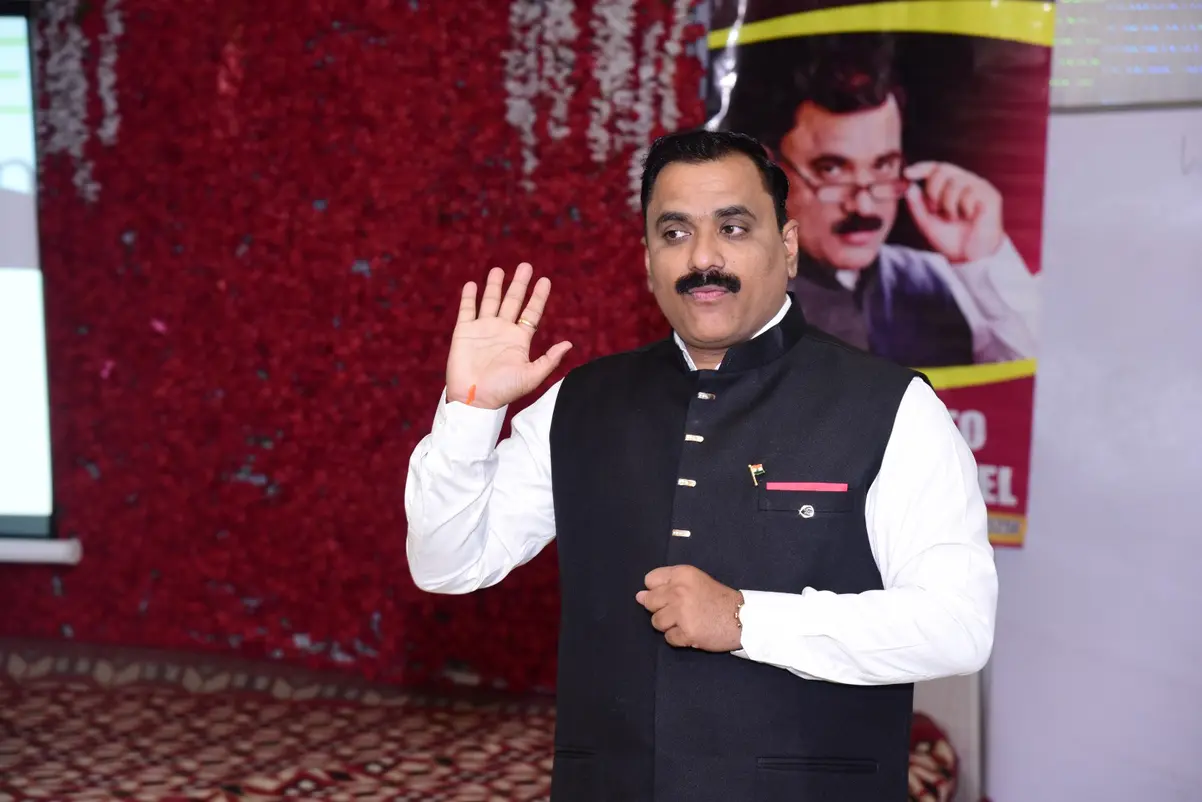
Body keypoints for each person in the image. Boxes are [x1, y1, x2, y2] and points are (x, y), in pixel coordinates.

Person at [404, 130, 997, 802]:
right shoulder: (582, 402)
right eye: (675, 232)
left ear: (788, 246)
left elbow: (959, 628)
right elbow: (447, 564)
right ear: (648, 259)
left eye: (733, 228)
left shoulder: (891, 407)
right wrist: (471, 411)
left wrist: (746, 619)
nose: (703, 258)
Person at [717, 36, 1039, 367]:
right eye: (831, 170)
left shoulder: (947, 280)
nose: (864, 206)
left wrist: (982, 258)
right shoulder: (732, 294)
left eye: (883, 167)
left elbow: (1041, 376)